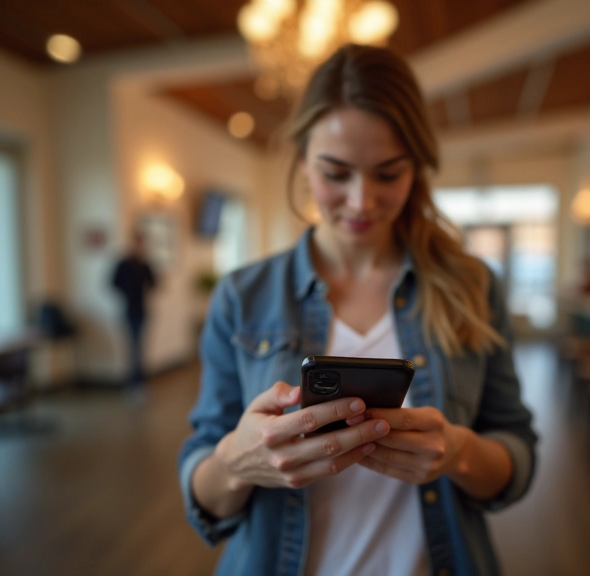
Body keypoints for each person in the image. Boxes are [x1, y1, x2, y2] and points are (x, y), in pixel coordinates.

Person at [178, 44, 537, 576]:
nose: (362, 201)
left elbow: (517, 456)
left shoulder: (472, 287)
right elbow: (204, 488)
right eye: (336, 173)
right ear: (302, 160)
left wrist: (458, 452)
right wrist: (236, 463)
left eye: (388, 174)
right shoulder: (241, 296)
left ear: (417, 166)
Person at [111, 230, 157, 392]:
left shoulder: (144, 264)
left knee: (140, 348)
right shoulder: (124, 264)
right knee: (133, 348)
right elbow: (113, 283)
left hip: (142, 310)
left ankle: (138, 383)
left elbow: (154, 283)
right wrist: (127, 291)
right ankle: (133, 383)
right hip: (129, 310)